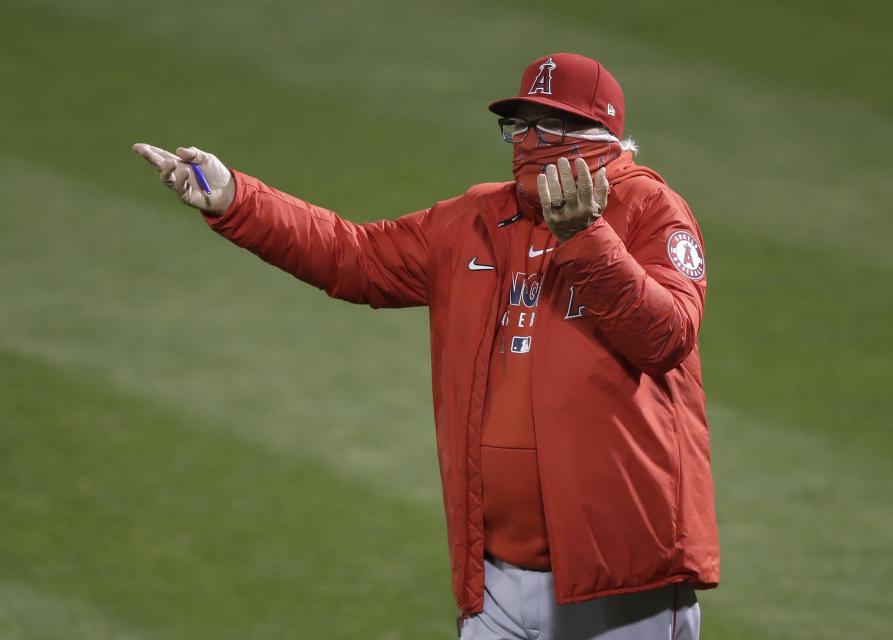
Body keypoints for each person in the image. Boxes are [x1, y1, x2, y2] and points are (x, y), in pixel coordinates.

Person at [133, 52, 719, 640]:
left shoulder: (649, 211)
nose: (531, 142)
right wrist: (237, 198)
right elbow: (355, 256)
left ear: (602, 134)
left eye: (552, 125)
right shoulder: (474, 220)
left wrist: (586, 238)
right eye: (521, 125)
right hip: (494, 584)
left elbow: (664, 338)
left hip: (622, 587)